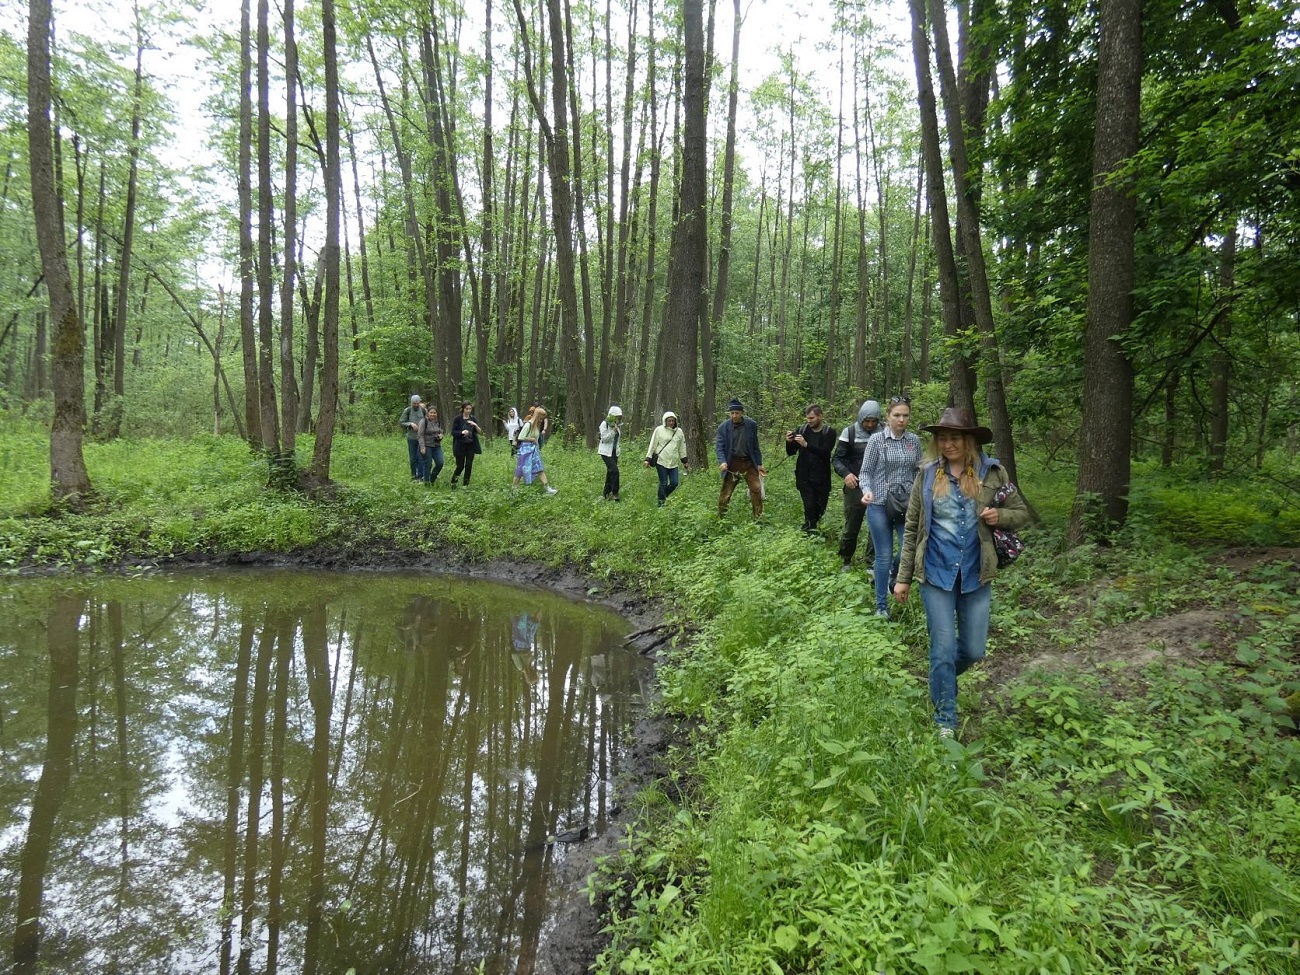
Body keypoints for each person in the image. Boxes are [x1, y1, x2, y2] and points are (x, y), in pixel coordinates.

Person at [893, 407, 1029, 738]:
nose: (948, 444)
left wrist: (1000, 515)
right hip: (936, 574)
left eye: (954, 437)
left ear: (968, 440)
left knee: (973, 650)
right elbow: (912, 528)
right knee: (941, 648)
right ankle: (945, 720)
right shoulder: (926, 475)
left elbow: (1021, 512)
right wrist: (903, 577)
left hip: (975, 574)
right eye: (942, 438)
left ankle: (940, 681)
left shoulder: (993, 472)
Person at [859, 395, 922, 617]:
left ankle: (895, 574)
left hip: (906, 504)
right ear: (888, 416)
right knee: (883, 555)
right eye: (897, 415)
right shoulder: (877, 441)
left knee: (909, 549)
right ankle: (881, 606)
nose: (901, 420)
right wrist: (866, 490)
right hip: (878, 503)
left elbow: (918, 471)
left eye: (905, 415)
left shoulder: (913, 441)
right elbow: (865, 471)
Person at [833, 400, 882, 571]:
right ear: (861, 418)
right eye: (866, 421)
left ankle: (872, 562)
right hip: (856, 485)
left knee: (877, 525)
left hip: (879, 486)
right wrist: (846, 474)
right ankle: (845, 559)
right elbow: (837, 458)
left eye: (873, 421)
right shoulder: (850, 432)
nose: (869, 425)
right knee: (852, 524)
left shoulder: (884, 432)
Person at [785, 403, 837, 534]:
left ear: (820, 416)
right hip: (804, 477)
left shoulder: (829, 432)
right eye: (807, 418)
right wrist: (789, 442)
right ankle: (810, 534)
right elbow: (791, 452)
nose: (809, 421)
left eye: (812, 418)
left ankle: (810, 529)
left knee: (820, 509)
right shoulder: (802, 430)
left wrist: (806, 444)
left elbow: (826, 452)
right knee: (809, 507)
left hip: (822, 478)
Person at [715, 397, 765, 520]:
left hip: (748, 463)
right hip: (732, 464)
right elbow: (719, 447)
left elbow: (755, 446)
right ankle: (721, 518)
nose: (734, 416)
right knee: (726, 493)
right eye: (732, 413)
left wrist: (759, 463)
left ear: (742, 413)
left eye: (737, 413)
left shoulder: (751, 425)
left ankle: (757, 518)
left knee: (756, 490)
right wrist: (723, 462)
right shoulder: (723, 427)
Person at [645, 411, 689, 505]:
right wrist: (648, 459)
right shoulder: (659, 430)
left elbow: (682, 447)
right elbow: (653, 444)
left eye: (673, 421)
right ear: (665, 421)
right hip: (661, 461)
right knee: (663, 483)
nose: (671, 423)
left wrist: (684, 460)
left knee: (674, 482)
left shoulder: (679, 432)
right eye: (669, 421)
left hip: (673, 462)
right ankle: (661, 504)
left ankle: (662, 495)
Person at [513, 406, 558, 494]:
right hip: (525, 450)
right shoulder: (528, 425)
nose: (542, 420)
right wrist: (532, 439)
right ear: (537, 416)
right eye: (541, 418)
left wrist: (536, 443)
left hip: (533, 450)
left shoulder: (536, 426)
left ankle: (547, 488)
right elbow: (521, 437)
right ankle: (514, 489)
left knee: (539, 468)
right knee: (521, 469)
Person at [450, 401, 483, 487]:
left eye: (470, 409)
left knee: (469, 465)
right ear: (463, 409)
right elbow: (453, 432)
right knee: (460, 466)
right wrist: (462, 432)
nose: (468, 410)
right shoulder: (457, 419)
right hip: (460, 445)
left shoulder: (473, 418)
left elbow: (480, 432)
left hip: (470, 445)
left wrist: (475, 425)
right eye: (466, 409)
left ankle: (466, 485)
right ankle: (453, 482)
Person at [597, 406, 624, 500]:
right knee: (615, 471)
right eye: (616, 416)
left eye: (619, 417)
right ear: (612, 416)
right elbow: (604, 438)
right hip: (605, 452)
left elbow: (617, 441)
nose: (618, 419)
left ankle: (605, 494)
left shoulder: (617, 425)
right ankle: (615, 493)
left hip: (614, 453)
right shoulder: (604, 424)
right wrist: (613, 431)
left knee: (610, 472)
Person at [399, 394, 426, 481]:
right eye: (414, 403)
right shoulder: (408, 410)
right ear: (411, 403)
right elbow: (401, 422)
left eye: (417, 403)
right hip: (411, 438)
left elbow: (428, 421)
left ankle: (420, 477)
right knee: (413, 458)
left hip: (421, 438)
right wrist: (410, 424)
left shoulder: (423, 410)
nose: (416, 405)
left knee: (421, 457)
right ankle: (413, 476)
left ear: (419, 402)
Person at [417, 405, 445, 486]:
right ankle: (426, 483)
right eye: (431, 413)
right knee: (428, 464)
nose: (433, 414)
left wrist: (441, 436)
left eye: (434, 413)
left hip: (437, 446)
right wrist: (422, 447)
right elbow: (420, 435)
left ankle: (432, 479)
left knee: (440, 463)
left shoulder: (437, 422)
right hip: (427, 446)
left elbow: (440, 432)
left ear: (436, 414)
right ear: (428, 413)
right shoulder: (423, 421)